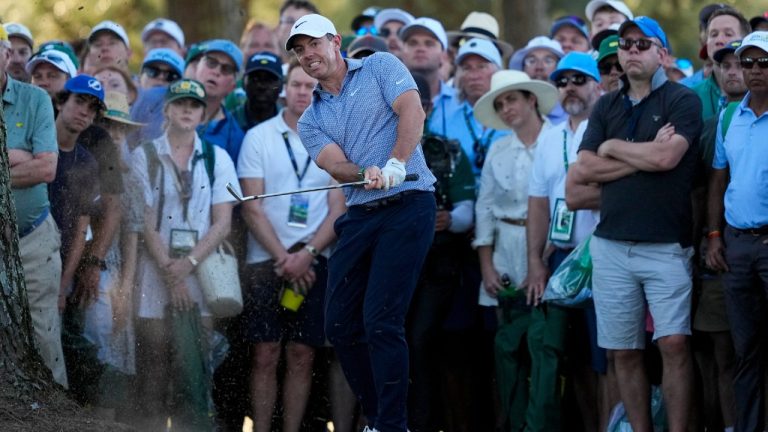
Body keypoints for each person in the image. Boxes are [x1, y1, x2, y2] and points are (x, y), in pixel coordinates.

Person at [287, 13, 438, 432]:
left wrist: (395, 163)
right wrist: (364, 173)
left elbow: (412, 110)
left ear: (335, 41)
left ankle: (391, 424)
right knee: (338, 322)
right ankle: (379, 418)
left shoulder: (379, 66)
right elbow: (336, 166)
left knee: (380, 319)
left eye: (313, 44)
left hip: (409, 203)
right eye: (299, 50)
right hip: (361, 212)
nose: (307, 55)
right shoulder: (310, 118)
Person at [567, 17, 702, 432]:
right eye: (625, 45)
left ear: (662, 53)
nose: (631, 51)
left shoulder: (683, 100)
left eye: (642, 44)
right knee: (623, 351)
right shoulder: (606, 105)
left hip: (666, 245)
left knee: (674, 344)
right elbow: (585, 168)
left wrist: (613, 149)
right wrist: (631, 155)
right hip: (610, 246)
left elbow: (667, 160)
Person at [238, 58, 346, 432]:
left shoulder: (334, 138)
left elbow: (338, 208)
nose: (303, 91)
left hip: (315, 260)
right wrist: (285, 258)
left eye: (309, 84)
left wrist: (308, 255)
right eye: (296, 84)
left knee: (303, 354)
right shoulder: (259, 137)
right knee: (264, 353)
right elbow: (252, 207)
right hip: (266, 259)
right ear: (285, 88)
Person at [131, 78, 239, 430]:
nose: (187, 110)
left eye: (194, 105)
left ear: (203, 112)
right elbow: (144, 220)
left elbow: (223, 222)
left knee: (193, 368)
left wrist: (187, 264)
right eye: (180, 104)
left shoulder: (216, 156)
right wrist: (169, 269)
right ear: (167, 110)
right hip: (154, 270)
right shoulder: (143, 155)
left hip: (201, 273)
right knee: (154, 368)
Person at [526, 52, 615, 431]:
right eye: (561, 82)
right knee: (570, 358)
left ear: (599, 84)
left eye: (578, 79)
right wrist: (535, 263)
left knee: (608, 358)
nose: (569, 88)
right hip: (562, 258)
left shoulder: (610, 128)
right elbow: (538, 204)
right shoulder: (550, 138)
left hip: (605, 257)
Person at [471, 69, 557, 431]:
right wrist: (487, 266)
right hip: (505, 247)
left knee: (545, 347)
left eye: (512, 100)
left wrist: (545, 257)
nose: (506, 109)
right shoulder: (498, 147)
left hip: (550, 248)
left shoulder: (558, 141)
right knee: (507, 350)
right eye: (500, 103)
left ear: (531, 99)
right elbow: (484, 208)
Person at [406, 72, 476, 432]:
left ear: (429, 107)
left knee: (420, 342)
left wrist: (449, 219)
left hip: (438, 266)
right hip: (393, 266)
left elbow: (466, 210)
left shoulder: (447, 150)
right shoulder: (370, 150)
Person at [706, 31, 768, 432]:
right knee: (746, 351)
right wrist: (713, 235)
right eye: (747, 63)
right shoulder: (730, 115)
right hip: (736, 245)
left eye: (764, 62)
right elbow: (718, 178)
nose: (755, 70)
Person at [2, 27, 65, 387]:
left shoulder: (35, 99)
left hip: (32, 237)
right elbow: (35, 164)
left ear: (8, 56)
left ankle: (56, 418)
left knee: (44, 337)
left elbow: (46, 168)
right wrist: (13, 160)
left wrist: (20, 162)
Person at [690, 39, 744, 432]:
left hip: (752, 249)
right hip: (716, 254)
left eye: (741, 64)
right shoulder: (709, 126)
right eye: (723, 65)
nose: (732, 71)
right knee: (721, 354)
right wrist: (710, 236)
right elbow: (702, 189)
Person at [50, 75, 105, 403]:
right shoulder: (36, 144)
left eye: (92, 108)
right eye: (78, 102)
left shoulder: (87, 162)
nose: (84, 112)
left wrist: (64, 283)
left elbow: (82, 227)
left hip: (58, 265)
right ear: (61, 101)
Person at [445, 37, 507, 177]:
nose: (474, 76)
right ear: (459, 76)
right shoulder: (443, 119)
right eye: (466, 68)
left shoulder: (514, 116)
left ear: (498, 71)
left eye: (482, 66)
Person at [399, 17, 457, 141]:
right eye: (413, 43)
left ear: (444, 55)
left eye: (429, 43)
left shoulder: (461, 103)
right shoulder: (384, 101)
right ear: (402, 53)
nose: (420, 48)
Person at [692, 7, 750, 121]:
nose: (719, 40)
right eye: (713, 34)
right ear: (706, 43)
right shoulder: (690, 96)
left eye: (728, 34)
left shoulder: (761, 93)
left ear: (745, 40)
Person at [195, 39, 246, 163]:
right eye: (211, 62)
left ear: (233, 86)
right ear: (198, 67)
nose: (216, 71)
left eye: (226, 69)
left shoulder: (234, 136)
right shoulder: (166, 108)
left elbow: (230, 183)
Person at [509, 36, 567, 125]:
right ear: (523, 68)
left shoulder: (571, 114)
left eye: (548, 61)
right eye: (531, 61)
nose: (539, 67)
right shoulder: (509, 114)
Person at [233, 51, 282, 131]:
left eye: (269, 80)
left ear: (281, 87)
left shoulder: (292, 123)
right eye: (255, 79)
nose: (261, 86)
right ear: (243, 84)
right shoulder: (229, 124)